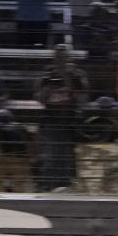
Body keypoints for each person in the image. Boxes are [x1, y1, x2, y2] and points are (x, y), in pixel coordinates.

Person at [36, 44, 89, 191]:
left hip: (70, 118)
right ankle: (50, 183)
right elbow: (39, 98)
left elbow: (83, 98)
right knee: (52, 152)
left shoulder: (77, 74)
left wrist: (67, 78)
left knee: (68, 152)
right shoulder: (47, 74)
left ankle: (68, 183)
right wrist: (48, 88)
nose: (60, 60)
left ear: (68, 58)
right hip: (52, 117)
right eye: (57, 57)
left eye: (63, 57)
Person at [0, 108, 34, 193]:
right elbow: (30, 141)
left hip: (3, 159)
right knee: (20, 184)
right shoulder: (22, 126)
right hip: (20, 159)